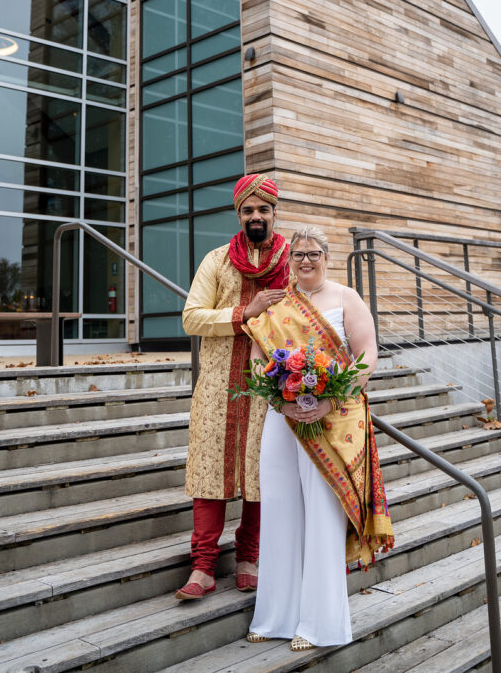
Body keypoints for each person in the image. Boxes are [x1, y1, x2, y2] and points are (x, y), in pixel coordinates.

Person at [245, 225, 394, 650]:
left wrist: (329, 401)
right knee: (278, 509)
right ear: (289, 260)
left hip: (336, 421)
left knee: (322, 518)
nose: (305, 261)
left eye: (313, 254)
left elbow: (367, 355)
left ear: (326, 257)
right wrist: (278, 398)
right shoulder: (278, 305)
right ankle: (275, 616)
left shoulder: (347, 298)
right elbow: (258, 358)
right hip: (283, 418)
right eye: (298, 255)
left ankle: (319, 624)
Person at [175, 174, 290, 600]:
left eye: (263, 209)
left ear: (275, 213)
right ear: (238, 214)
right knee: (209, 472)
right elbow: (191, 318)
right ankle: (203, 567)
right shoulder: (217, 260)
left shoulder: (292, 262)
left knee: (260, 473)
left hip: (271, 388)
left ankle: (249, 558)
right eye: (248, 210)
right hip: (218, 385)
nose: (255, 216)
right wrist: (246, 311)